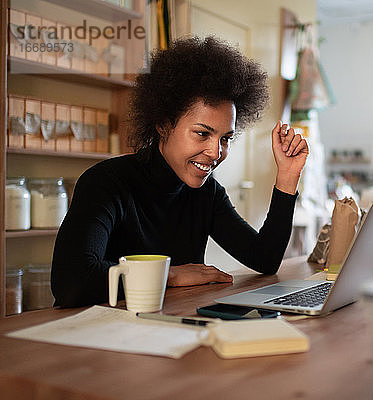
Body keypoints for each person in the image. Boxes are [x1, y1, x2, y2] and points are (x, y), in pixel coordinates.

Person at [51, 36, 309, 307]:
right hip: (100, 337)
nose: (215, 152)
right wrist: (169, 275)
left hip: (170, 328)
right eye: (202, 133)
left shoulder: (206, 192)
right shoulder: (106, 182)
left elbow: (265, 259)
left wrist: (287, 177)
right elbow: (72, 282)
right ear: (163, 124)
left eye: (225, 138)